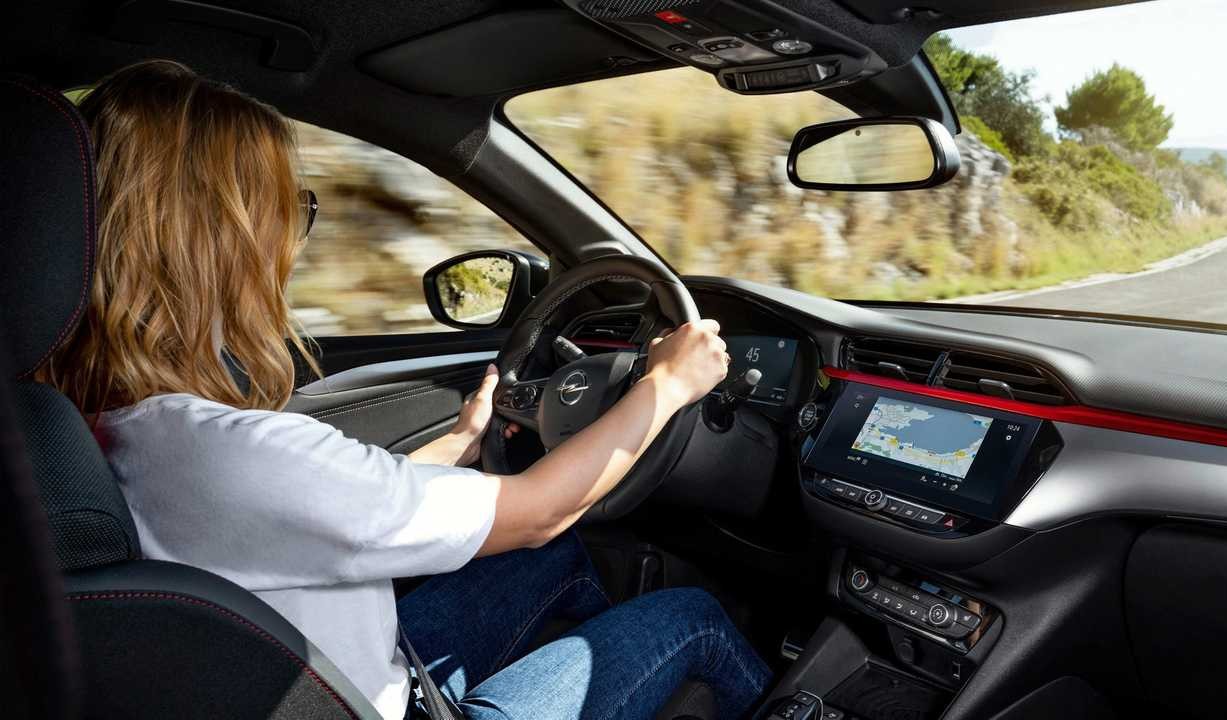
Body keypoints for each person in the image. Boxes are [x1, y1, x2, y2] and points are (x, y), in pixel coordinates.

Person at [40, 60, 771, 720]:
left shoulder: (94, 430)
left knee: (547, 562)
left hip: (320, 679)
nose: (291, 241)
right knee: (690, 620)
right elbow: (538, 511)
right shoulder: (229, 452)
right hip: (360, 702)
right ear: (219, 238)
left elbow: (329, 511)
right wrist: (668, 385)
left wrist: (457, 443)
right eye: (287, 210)